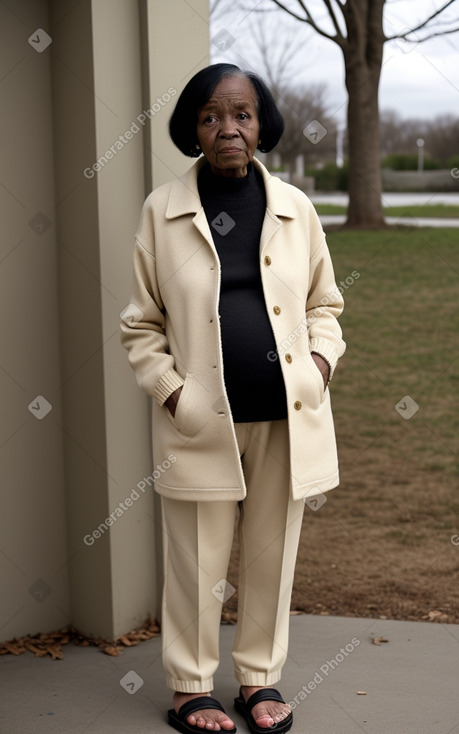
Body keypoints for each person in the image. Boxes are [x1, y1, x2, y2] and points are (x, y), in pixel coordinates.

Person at [120, 63, 346, 734]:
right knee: (196, 559)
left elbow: (324, 305)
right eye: (211, 116)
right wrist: (173, 394)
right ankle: (191, 687)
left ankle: (257, 681)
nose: (228, 128)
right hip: (201, 424)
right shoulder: (161, 213)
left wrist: (316, 366)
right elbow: (140, 324)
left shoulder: (295, 208)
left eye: (241, 114)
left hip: (286, 417)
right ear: (193, 128)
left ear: (261, 124)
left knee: (273, 555)